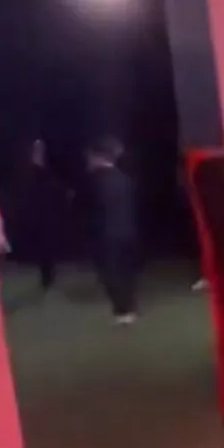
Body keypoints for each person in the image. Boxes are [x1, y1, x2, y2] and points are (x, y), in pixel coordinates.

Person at [87, 136, 141, 324]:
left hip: (106, 233)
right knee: (126, 271)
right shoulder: (125, 179)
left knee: (112, 272)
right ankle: (130, 307)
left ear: (98, 156)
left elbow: (89, 209)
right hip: (128, 230)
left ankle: (122, 310)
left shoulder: (95, 181)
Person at [11, 139, 70, 292]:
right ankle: (46, 275)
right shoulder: (31, 172)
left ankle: (48, 276)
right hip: (38, 215)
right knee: (43, 247)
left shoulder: (46, 171)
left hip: (47, 216)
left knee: (47, 247)